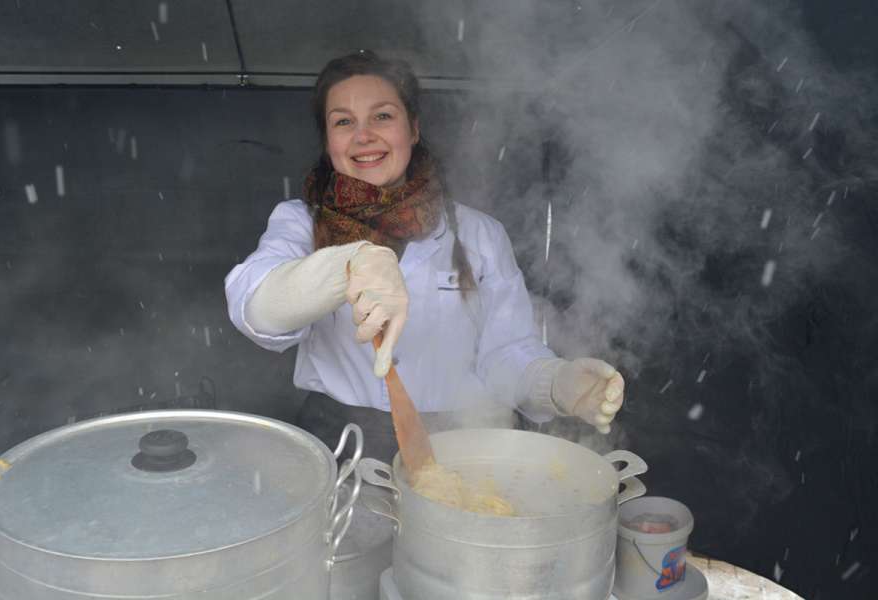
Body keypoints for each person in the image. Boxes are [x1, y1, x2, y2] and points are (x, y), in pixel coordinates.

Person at [225, 51, 624, 461]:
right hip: (341, 446)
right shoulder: (299, 222)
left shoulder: (479, 234)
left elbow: (505, 352)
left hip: (466, 445)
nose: (363, 135)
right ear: (329, 143)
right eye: (343, 121)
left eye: (382, 116)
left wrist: (558, 383)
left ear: (413, 129)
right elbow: (256, 310)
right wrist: (350, 265)